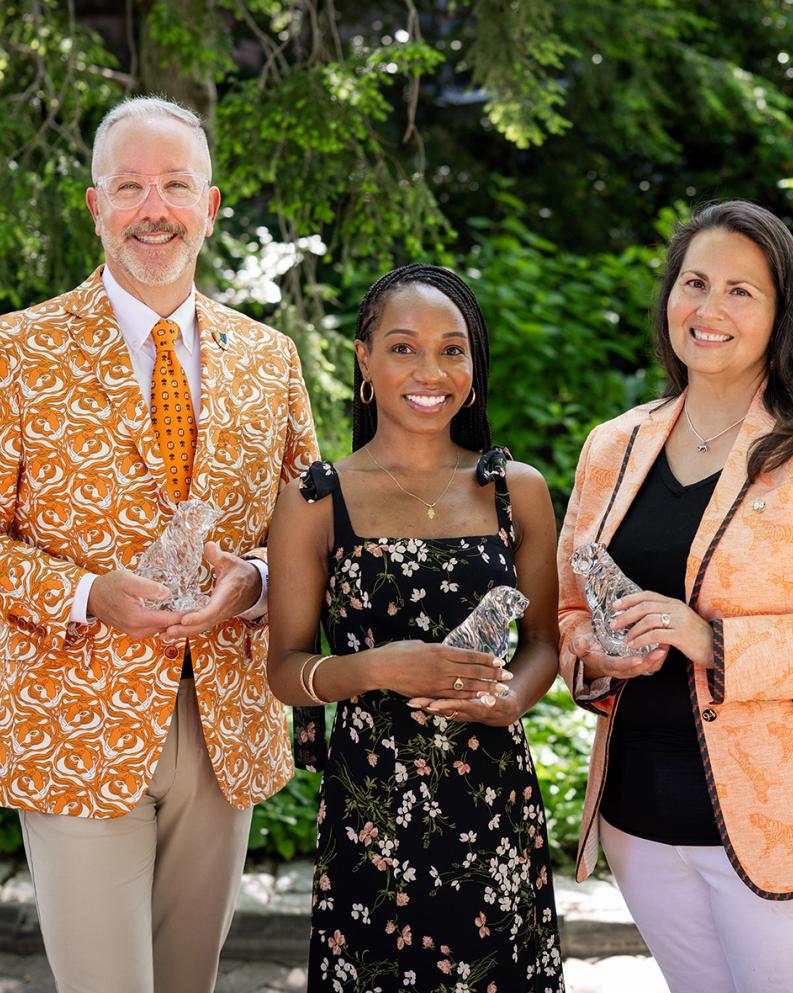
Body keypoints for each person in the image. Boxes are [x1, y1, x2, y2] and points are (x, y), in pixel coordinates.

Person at [556, 200, 793, 993]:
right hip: (644, 821)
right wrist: (591, 653)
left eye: (741, 290)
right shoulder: (613, 444)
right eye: (695, 282)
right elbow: (569, 606)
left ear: (780, 313)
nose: (709, 307)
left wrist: (714, 639)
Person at [0, 97, 318, 993]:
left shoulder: (271, 357)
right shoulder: (16, 352)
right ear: (94, 205)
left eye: (175, 184)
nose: (154, 208)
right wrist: (87, 593)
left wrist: (254, 581)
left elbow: (309, 532)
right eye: (130, 185)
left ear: (210, 207)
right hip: (77, 721)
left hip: (226, 726)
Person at [266, 263, 564, 993]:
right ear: (365, 360)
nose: (430, 369)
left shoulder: (513, 490)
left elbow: (546, 643)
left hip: (493, 805)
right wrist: (375, 668)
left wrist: (512, 700)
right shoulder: (314, 499)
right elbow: (285, 667)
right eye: (403, 347)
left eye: (452, 349)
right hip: (373, 812)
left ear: (472, 363)